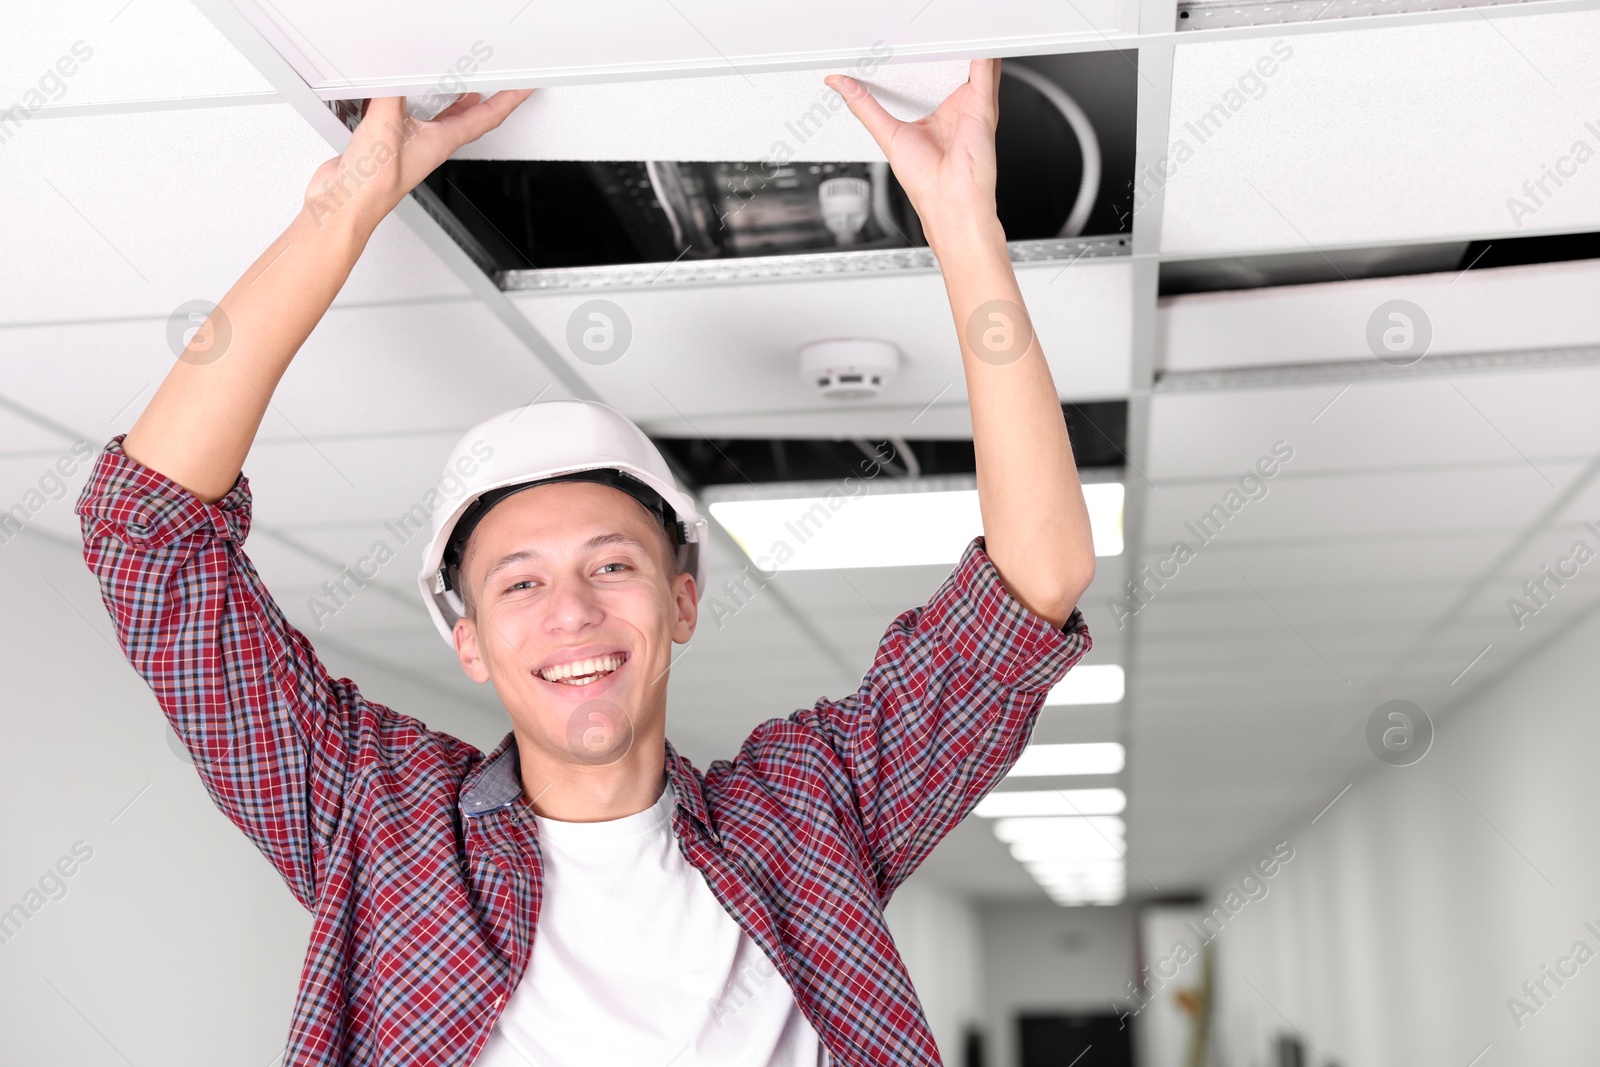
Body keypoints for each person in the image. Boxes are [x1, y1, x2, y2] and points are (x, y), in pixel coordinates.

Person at [75, 58, 1096, 1066]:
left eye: (612, 566)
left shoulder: (808, 818)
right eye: (520, 581)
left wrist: (964, 223)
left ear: (681, 600)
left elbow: (1033, 584)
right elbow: (147, 534)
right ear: (467, 639)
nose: (571, 611)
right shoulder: (378, 825)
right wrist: (339, 211)